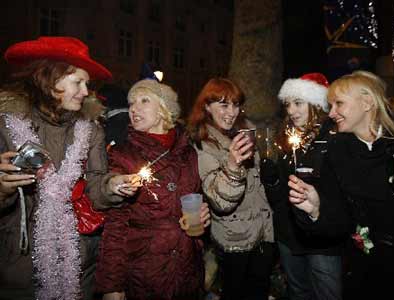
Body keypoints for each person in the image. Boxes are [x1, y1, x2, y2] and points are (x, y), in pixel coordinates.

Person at [288, 71, 394, 300]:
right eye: (330, 105)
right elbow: (340, 221)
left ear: (367, 102)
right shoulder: (335, 151)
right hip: (365, 272)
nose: (332, 112)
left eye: (339, 104)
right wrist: (317, 209)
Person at [0, 36, 112, 300]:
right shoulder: (5, 128)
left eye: (87, 83)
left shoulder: (91, 131)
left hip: (78, 265)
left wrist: (114, 186)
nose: (86, 92)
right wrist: (2, 190)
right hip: (19, 269)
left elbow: (97, 188)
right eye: (78, 82)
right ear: (49, 81)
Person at [94, 78, 211, 300]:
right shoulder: (122, 155)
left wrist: (204, 214)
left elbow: (196, 199)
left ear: (163, 109)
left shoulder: (189, 153)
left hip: (188, 270)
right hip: (144, 274)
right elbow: (115, 225)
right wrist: (112, 286)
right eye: (131, 104)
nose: (134, 109)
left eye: (144, 101)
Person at [187, 78, 275, 300]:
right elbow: (221, 201)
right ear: (207, 106)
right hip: (235, 240)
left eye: (236, 105)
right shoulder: (201, 145)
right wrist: (234, 165)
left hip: (263, 234)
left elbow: (258, 184)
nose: (232, 112)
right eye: (224, 105)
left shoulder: (239, 133)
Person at [260, 73, 343, 300]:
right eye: (288, 104)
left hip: (322, 239)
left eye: (298, 103)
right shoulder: (283, 139)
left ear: (316, 104)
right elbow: (278, 197)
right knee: (298, 292)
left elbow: (341, 194)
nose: (292, 111)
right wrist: (272, 180)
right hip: (289, 235)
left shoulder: (334, 137)